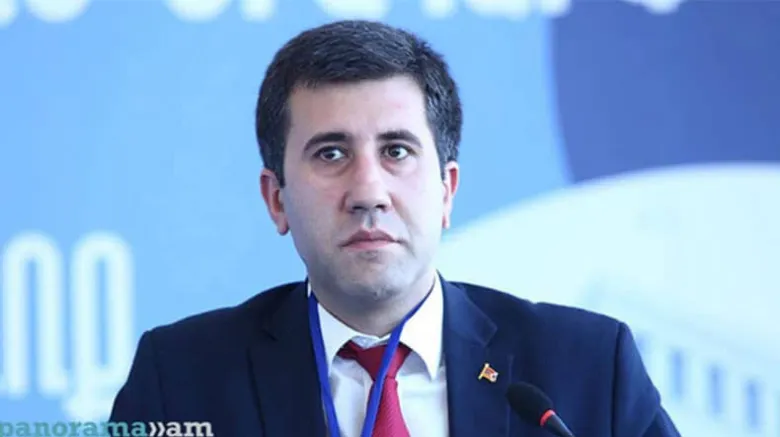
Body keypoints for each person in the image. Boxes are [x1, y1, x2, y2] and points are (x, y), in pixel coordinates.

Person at [109, 20, 680, 437]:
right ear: (276, 198)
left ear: (446, 189)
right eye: (331, 153)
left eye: (397, 151)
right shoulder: (181, 379)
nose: (368, 192)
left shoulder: (587, 369)